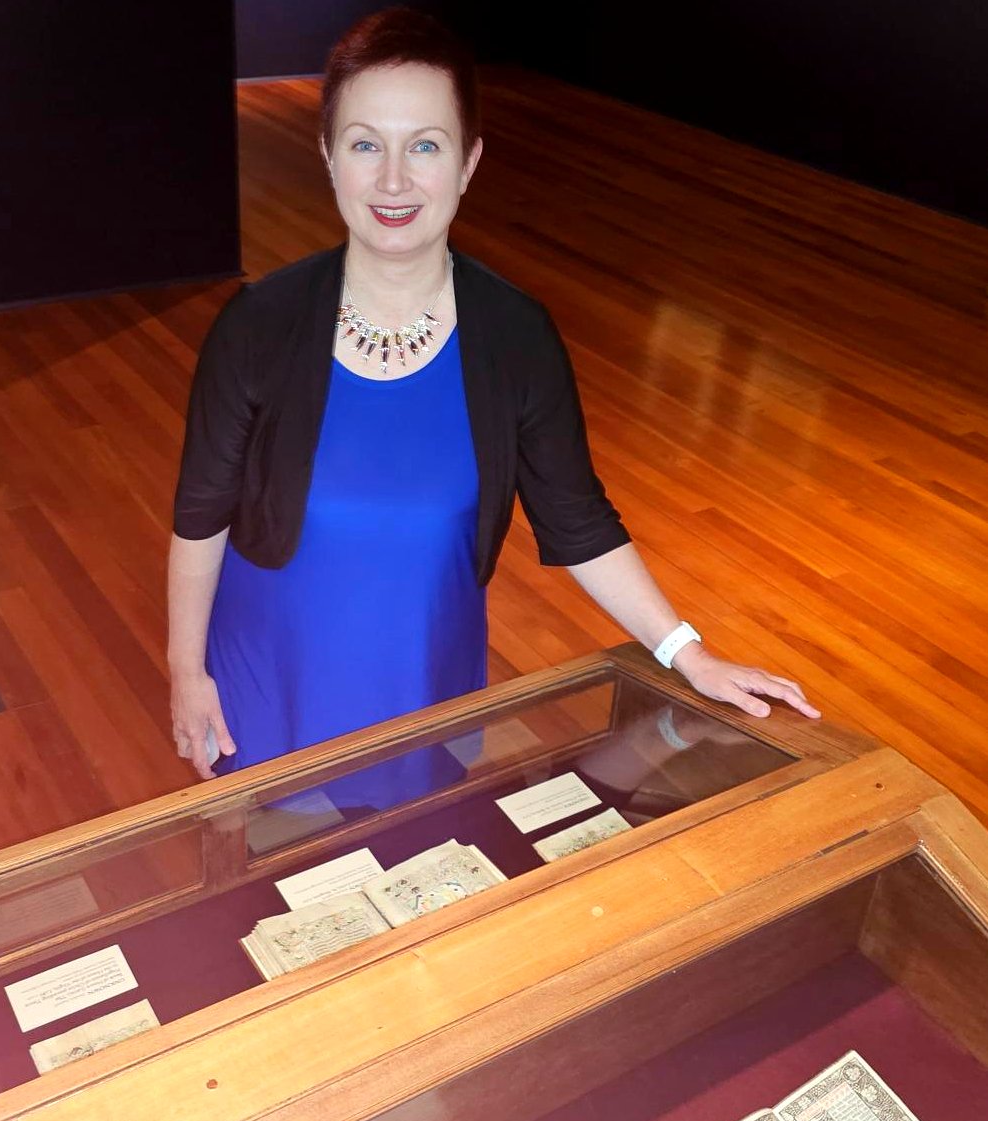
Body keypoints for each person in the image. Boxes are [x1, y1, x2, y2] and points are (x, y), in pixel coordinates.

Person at [167, 6, 818, 782]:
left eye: (426, 146)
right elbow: (200, 518)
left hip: (424, 682)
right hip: (270, 684)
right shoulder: (258, 325)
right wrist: (186, 672)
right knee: (283, 889)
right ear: (329, 157)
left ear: (469, 162)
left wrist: (691, 653)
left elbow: (578, 521)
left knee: (425, 876)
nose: (395, 179)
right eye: (366, 144)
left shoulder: (516, 336)